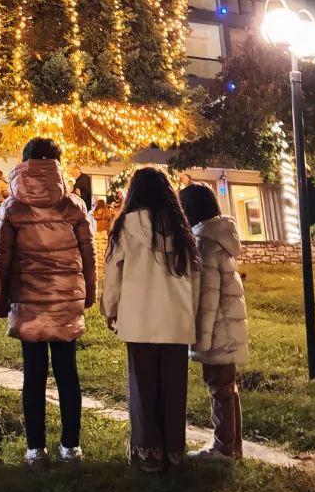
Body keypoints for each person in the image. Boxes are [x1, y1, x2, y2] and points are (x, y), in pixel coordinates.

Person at [0, 138, 97, 465]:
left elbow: (1, 256)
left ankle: (35, 449)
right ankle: (71, 447)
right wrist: (90, 292)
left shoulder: (12, 207)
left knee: (33, 375)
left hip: (28, 299)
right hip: (66, 298)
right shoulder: (73, 205)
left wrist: (0, 298)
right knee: (67, 372)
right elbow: (89, 253)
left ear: (25, 162)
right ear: (56, 163)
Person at [101, 168, 201, 473]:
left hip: (139, 318)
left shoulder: (125, 226)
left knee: (143, 389)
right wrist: (191, 312)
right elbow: (195, 277)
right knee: (173, 389)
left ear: (135, 193)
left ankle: (148, 454)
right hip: (176, 320)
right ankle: (174, 451)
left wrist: (110, 308)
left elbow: (113, 272)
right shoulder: (180, 228)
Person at [180, 183, 248, 463]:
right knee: (228, 389)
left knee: (219, 389)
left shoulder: (204, 243)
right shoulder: (221, 238)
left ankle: (223, 449)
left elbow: (206, 300)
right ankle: (233, 446)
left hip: (217, 331)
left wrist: (200, 342)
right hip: (228, 327)